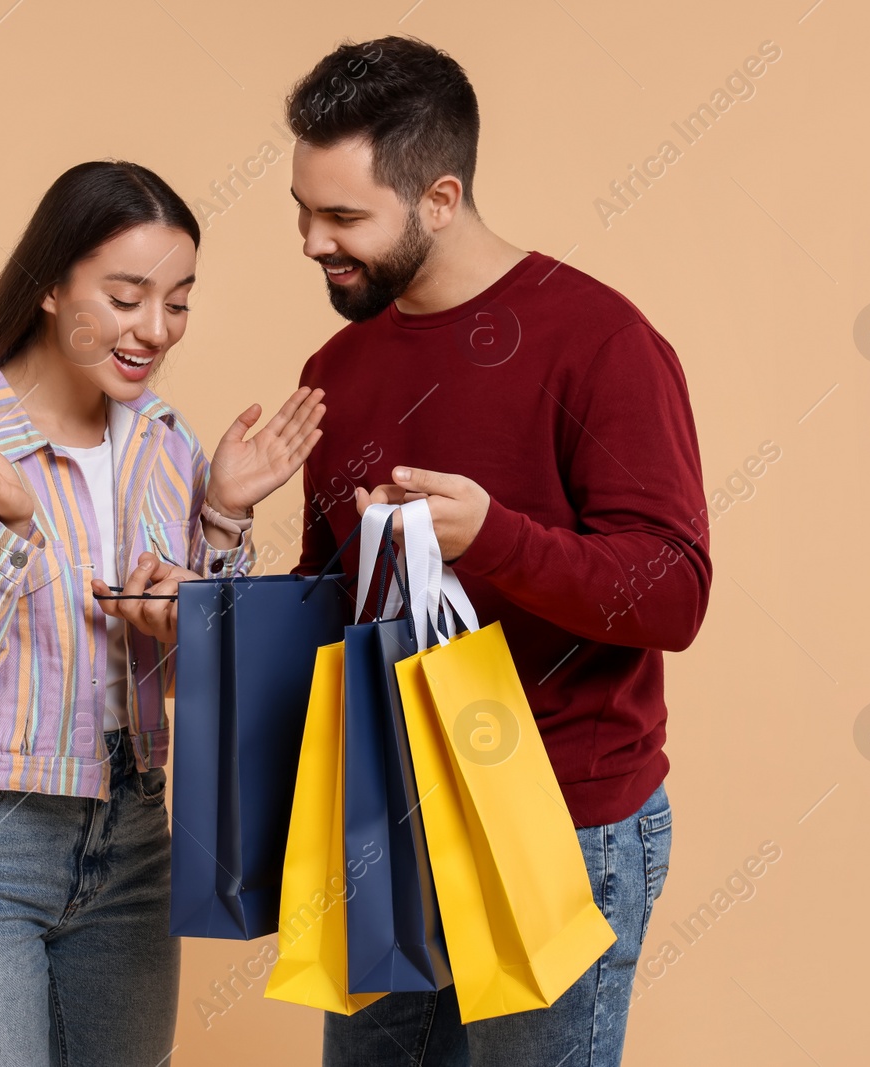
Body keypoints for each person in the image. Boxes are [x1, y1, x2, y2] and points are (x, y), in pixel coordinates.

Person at [0, 159, 325, 1067]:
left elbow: (192, 683)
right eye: (128, 296)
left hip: (134, 837)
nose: (156, 329)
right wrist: (10, 538)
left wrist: (222, 519)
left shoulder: (167, 444)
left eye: (177, 301)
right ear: (53, 286)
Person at [283, 37, 713, 1067]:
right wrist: (208, 565)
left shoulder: (599, 341)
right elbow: (332, 605)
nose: (310, 241)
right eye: (301, 209)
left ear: (438, 197)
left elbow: (674, 594)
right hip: (386, 817)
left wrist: (497, 539)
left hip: (559, 823)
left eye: (343, 217)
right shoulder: (336, 368)